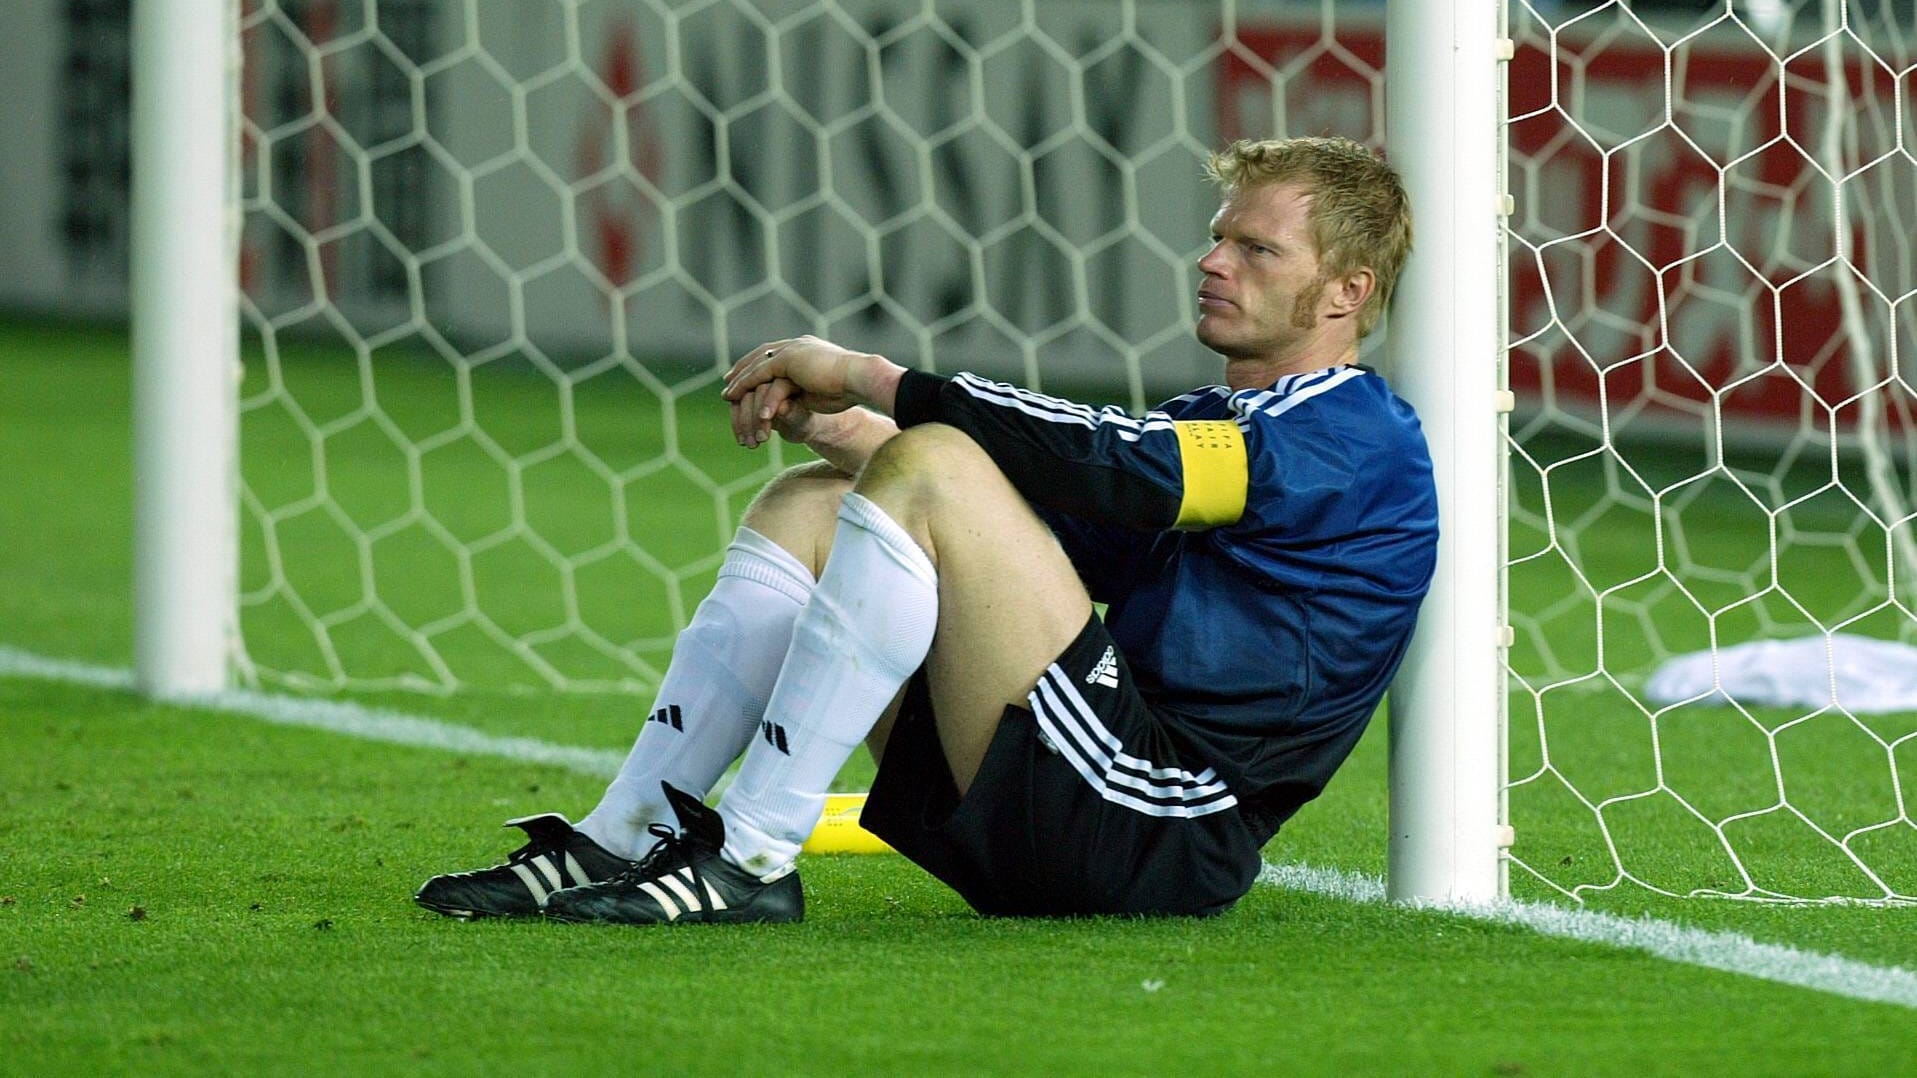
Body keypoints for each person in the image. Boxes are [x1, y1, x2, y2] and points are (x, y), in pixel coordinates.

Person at [414, 135, 1436, 923]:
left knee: (932, 457)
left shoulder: (1352, 436)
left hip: (1157, 822)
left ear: (1348, 293)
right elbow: (1045, 535)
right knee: (814, 502)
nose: (1214, 260)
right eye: (1218, 234)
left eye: (1255, 248)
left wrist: (874, 379)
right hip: (1066, 800)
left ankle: (751, 858)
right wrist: (849, 431)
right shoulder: (1219, 425)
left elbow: (1121, 472)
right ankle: (621, 831)